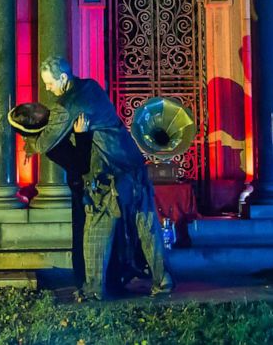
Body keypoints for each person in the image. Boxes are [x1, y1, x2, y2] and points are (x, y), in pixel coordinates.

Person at [10, 56, 174, 300]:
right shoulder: (91, 85)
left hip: (110, 177)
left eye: (49, 83)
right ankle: (162, 281)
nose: (47, 89)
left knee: (95, 234)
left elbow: (46, 142)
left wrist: (29, 143)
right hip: (133, 166)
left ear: (63, 78)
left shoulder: (65, 107)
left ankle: (93, 290)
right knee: (148, 228)